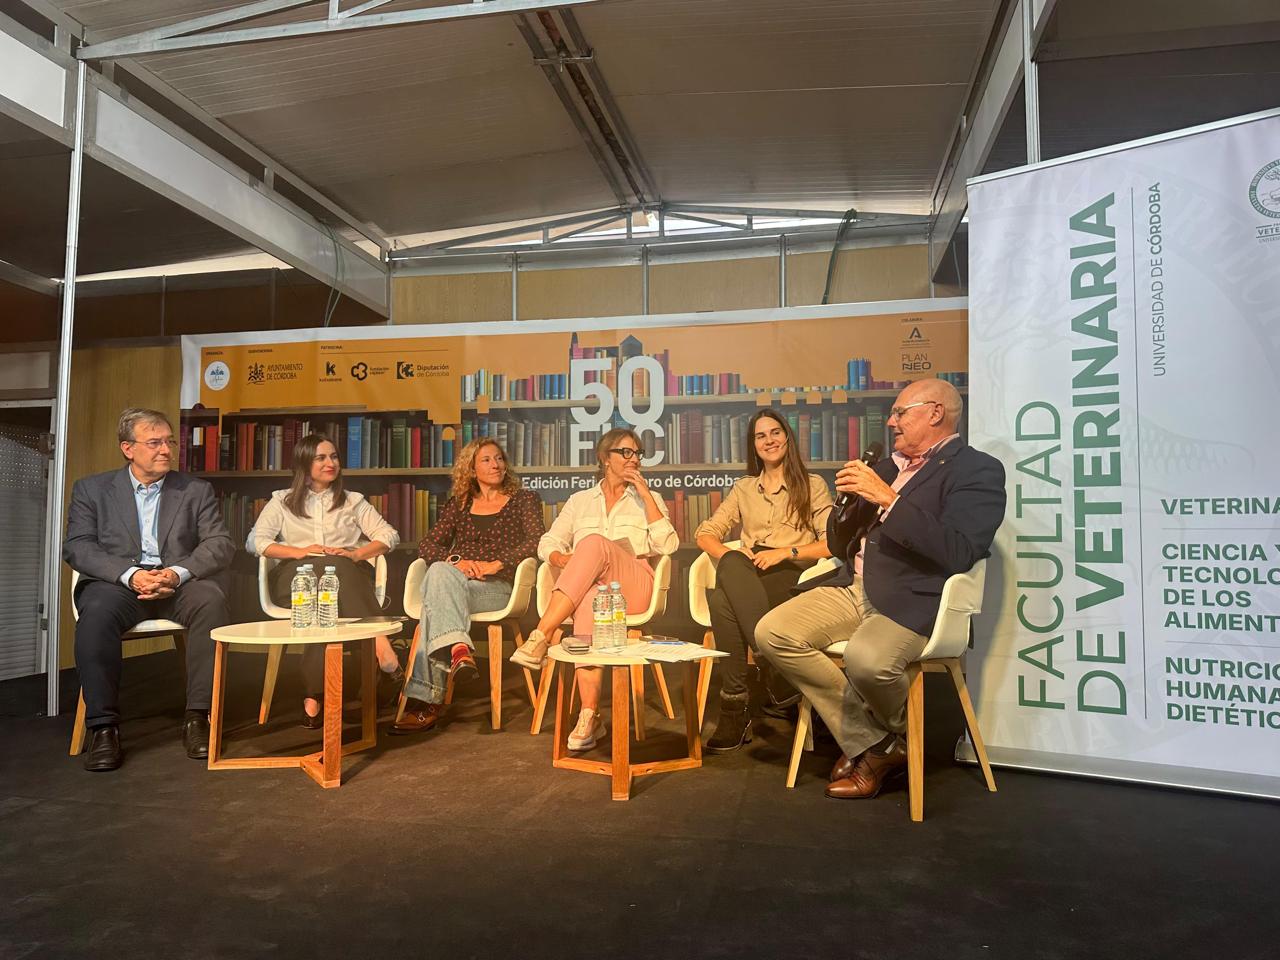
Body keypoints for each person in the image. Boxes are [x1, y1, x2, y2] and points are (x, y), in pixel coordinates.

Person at [755, 378, 1006, 799]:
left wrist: (889, 500)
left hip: (914, 596)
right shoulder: (886, 467)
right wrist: (844, 507)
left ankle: (872, 748)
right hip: (854, 585)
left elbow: (959, 551)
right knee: (773, 632)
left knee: (867, 660)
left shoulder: (977, 470)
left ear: (935, 413)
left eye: (900, 413)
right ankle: (880, 744)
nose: (891, 422)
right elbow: (841, 545)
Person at [63, 408, 234, 771]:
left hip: (177, 584)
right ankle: (103, 727)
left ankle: (198, 717)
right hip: (120, 585)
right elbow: (78, 547)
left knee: (211, 601)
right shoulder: (92, 490)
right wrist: (129, 575)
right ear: (128, 448)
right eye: (154, 442)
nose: (166, 450)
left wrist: (176, 573)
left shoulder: (195, 490)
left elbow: (219, 543)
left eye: (169, 441)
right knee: (96, 613)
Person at [510, 427, 678, 751]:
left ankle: (540, 635)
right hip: (597, 594)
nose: (634, 459)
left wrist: (645, 493)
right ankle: (590, 715)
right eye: (625, 452)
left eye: (637, 453)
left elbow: (667, 545)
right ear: (604, 458)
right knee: (589, 597)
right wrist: (562, 558)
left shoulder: (649, 499)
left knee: (593, 543)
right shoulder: (580, 501)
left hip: (634, 587)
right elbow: (548, 542)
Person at [694, 409, 833, 753]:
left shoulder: (812, 485)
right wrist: (732, 555)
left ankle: (734, 710)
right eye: (760, 436)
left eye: (775, 433)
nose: (769, 440)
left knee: (721, 601)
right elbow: (706, 533)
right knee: (732, 566)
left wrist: (786, 552)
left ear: (787, 437)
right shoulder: (744, 488)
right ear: (753, 445)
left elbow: (832, 543)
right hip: (749, 570)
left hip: (792, 573)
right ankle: (772, 664)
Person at [393, 438, 544, 733]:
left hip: (498, 588)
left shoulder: (524, 500)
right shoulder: (459, 504)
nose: (496, 465)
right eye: (486, 460)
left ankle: (427, 702)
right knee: (440, 570)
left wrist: (497, 564)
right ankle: (459, 649)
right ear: (472, 469)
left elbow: (537, 540)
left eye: (499, 458)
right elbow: (428, 545)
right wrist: (458, 562)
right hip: (457, 584)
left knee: (434, 602)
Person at [253, 433, 400, 728]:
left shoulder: (352, 501)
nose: (330, 463)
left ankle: (313, 696)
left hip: (345, 583)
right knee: (326, 577)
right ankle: (382, 648)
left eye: (333, 456)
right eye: (321, 457)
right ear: (304, 463)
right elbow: (256, 542)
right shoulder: (281, 501)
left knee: (332, 581)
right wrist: (299, 552)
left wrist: (356, 554)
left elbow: (389, 535)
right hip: (296, 579)